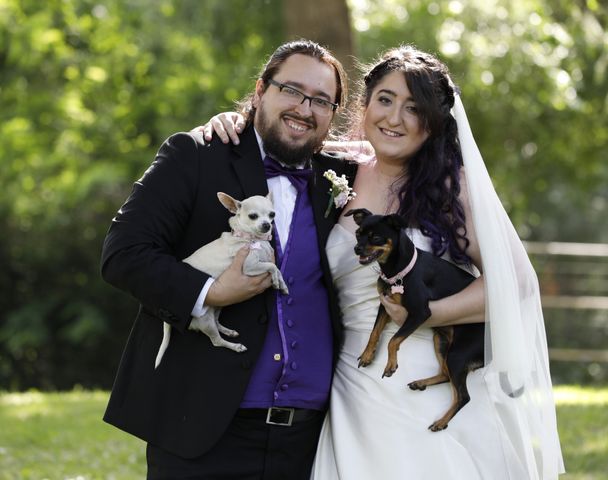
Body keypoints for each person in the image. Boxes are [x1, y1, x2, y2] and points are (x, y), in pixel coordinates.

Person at [204, 46, 565, 479]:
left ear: (434, 123)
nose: (394, 119)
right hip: (351, 386)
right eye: (386, 100)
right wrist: (236, 123)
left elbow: (517, 283)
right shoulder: (336, 170)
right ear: (365, 103)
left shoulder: (451, 186)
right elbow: (276, 134)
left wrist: (429, 312)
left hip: (425, 378)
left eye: (414, 108)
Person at [100, 39, 356, 479]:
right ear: (260, 90)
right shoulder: (196, 155)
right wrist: (210, 292)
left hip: (313, 442)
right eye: (290, 90)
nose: (303, 108)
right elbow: (124, 253)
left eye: (320, 100)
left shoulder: (346, 179)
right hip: (201, 430)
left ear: (333, 114)